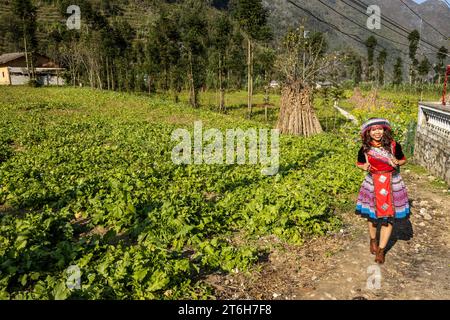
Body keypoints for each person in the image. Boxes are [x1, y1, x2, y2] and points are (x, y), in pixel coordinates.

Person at [355, 118, 410, 264]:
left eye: (380, 129)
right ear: (369, 132)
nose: (377, 132)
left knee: (389, 217)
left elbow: (403, 159)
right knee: (372, 217)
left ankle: (381, 250)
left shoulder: (393, 145)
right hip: (373, 183)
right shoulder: (365, 148)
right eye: (373, 130)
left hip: (392, 183)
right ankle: (373, 239)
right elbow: (359, 163)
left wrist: (398, 162)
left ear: (384, 130)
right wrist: (364, 166)